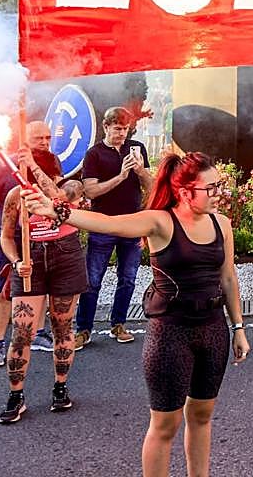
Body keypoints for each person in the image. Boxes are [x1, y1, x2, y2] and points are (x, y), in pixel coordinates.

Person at [25, 152, 249, 474]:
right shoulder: (159, 221)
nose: (217, 194)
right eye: (210, 188)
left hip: (213, 329)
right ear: (185, 191)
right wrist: (61, 213)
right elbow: (110, 223)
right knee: (165, 424)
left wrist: (238, 327)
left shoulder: (221, 224)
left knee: (201, 415)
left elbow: (228, 277)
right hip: (171, 332)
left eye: (218, 186)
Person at [0, 152, 85, 423]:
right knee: (22, 332)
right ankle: (16, 396)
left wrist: (34, 168)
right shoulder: (15, 196)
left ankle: (60, 387)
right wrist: (16, 260)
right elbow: (6, 236)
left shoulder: (66, 189)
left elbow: (58, 199)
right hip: (31, 257)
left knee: (62, 326)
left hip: (66, 255)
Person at [0, 121, 58, 368]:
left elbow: (55, 193)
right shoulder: (5, 165)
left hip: (42, 234)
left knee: (42, 283)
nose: (45, 142)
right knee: (6, 289)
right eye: (38, 139)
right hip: (12, 236)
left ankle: (39, 333)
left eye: (47, 137)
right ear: (26, 140)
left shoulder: (51, 160)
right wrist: (4, 226)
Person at [76, 107, 154, 349]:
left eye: (126, 129)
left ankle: (118, 324)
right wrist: (120, 177)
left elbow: (152, 185)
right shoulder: (94, 154)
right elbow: (90, 191)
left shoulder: (137, 148)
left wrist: (140, 170)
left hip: (131, 222)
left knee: (128, 278)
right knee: (93, 279)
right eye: (117, 129)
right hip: (102, 223)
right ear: (106, 127)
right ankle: (83, 329)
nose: (122, 134)